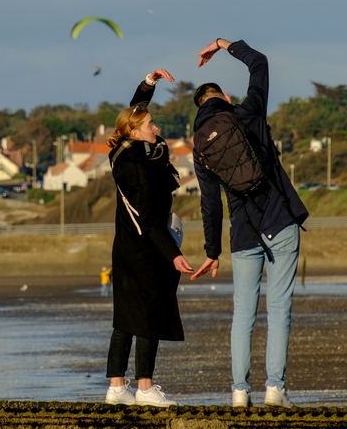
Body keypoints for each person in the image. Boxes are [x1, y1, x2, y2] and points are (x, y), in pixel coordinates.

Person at [189, 38, 309, 408]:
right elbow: (259, 63)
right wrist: (225, 45)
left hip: (242, 233)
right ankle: (275, 388)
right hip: (279, 218)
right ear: (224, 97)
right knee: (279, 307)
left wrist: (212, 252)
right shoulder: (249, 112)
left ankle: (240, 392)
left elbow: (210, 205)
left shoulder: (200, 147)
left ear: (199, 109)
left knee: (243, 314)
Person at [103, 69, 194, 408]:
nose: (157, 128)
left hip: (125, 247)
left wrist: (148, 84)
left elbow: (134, 112)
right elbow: (151, 220)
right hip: (145, 250)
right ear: (137, 132)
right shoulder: (139, 166)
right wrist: (173, 255)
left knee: (125, 317)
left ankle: (116, 387)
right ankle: (144, 388)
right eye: (151, 125)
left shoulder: (124, 152)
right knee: (148, 317)